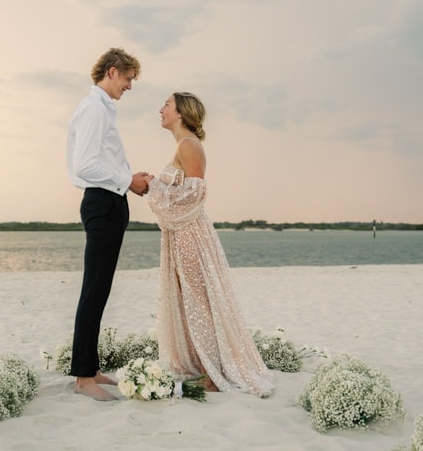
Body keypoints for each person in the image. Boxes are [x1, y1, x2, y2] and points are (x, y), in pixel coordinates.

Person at [144, 92, 275, 397]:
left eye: (166, 105)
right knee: (190, 301)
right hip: (181, 233)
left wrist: (153, 186)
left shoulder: (188, 145)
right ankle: (205, 367)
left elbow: (195, 193)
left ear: (180, 113)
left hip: (190, 234)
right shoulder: (182, 145)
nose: (160, 109)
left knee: (199, 303)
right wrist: (159, 185)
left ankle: (211, 375)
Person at [66, 47, 151, 401]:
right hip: (102, 202)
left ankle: (92, 368)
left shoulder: (102, 109)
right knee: (94, 289)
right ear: (113, 71)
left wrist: (125, 181)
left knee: (99, 290)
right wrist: (127, 179)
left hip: (110, 201)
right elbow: (84, 166)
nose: (130, 86)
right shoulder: (94, 108)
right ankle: (83, 378)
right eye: (129, 78)